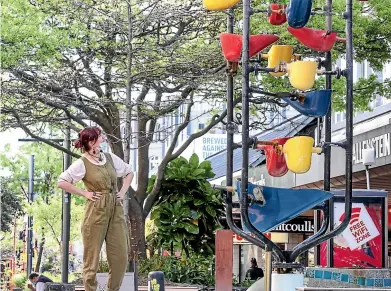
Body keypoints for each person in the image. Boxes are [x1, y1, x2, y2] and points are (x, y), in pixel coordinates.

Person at [57, 127, 134, 291]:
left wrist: (121, 192)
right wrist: (84, 193)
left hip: (115, 208)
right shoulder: (82, 163)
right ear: (92, 140)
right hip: (95, 210)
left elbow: (129, 172)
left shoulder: (109, 158)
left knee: (120, 257)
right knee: (91, 261)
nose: (104, 138)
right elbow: (62, 181)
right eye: (100, 136)